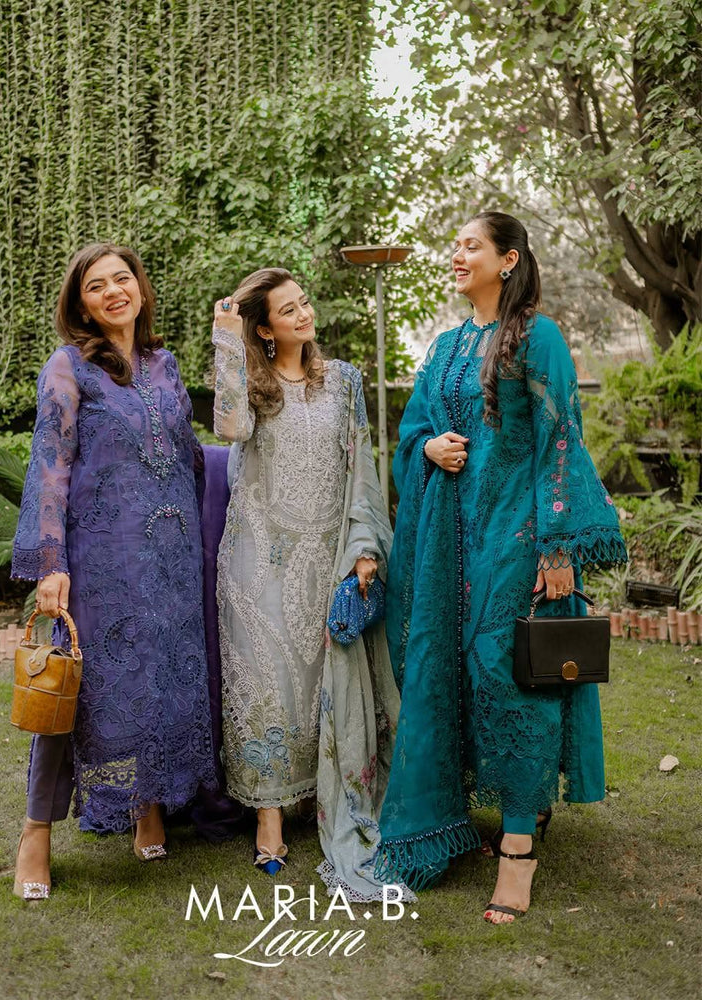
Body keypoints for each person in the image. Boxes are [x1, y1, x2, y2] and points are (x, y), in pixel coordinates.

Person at [374, 212, 627, 922]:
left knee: (507, 676)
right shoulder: (448, 344)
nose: (457, 256)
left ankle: (519, 846)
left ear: (508, 259)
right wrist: (428, 448)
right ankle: (483, 812)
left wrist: (558, 547)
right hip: (451, 540)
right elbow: (415, 426)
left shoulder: (538, 337)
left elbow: (560, 439)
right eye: (454, 247)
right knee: (450, 670)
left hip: (516, 536)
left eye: (471, 246)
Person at [10, 243, 217, 900]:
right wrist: (51, 564)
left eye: (122, 278)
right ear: (81, 305)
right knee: (72, 694)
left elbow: (188, 454)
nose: (113, 291)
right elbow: (50, 465)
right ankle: (35, 833)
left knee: (159, 682)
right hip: (100, 560)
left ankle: (147, 806)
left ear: (140, 289)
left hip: (171, 559)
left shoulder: (164, 364)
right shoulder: (68, 366)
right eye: (96, 285)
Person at [211, 267, 404, 900]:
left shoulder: (342, 380)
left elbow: (362, 467)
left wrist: (364, 547)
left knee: (326, 681)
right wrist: (226, 341)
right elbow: (229, 428)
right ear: (265, 328)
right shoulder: (252, 384)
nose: (304, 314)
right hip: (259, 560)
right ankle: (268, 817)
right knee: (268, 686)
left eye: (304, 303)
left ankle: (329, 796)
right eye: (288, 310)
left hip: (327, 555)